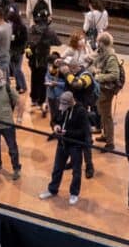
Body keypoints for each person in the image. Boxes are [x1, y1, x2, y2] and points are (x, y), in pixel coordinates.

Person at [40, 73, 97, 205]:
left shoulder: (81, 112)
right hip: (62, 143)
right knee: (57, 168)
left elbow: (84, 132)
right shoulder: (63, 108)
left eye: (64, 106)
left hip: (75, 146)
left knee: (76, 171)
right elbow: (55, 120)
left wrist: (68, 133)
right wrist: (56, 126)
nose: (62, 108)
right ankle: (52, 189)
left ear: (71, 102)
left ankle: (74, 193)